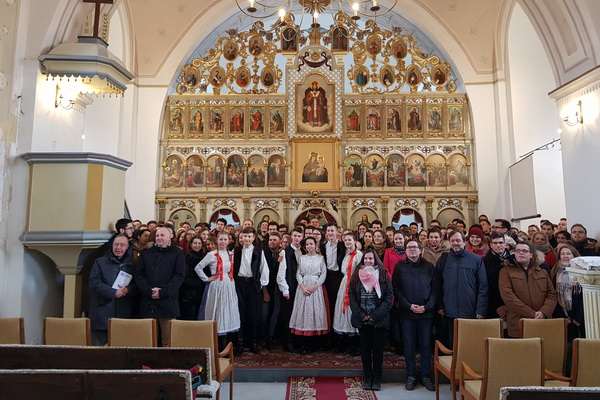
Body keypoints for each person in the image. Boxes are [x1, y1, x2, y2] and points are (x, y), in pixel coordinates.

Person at [393, 239, 439, 392]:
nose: (412, 250)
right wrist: (408, 305)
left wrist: (427, 306)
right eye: (409, 247)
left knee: (425, 345)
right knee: (409, 346)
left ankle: (425, 375)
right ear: (405, 250)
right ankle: (411, 375)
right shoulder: (399, 266)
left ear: (420, 250)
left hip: (426, 313)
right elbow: (396, 289)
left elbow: (435, 289)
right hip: (407, 313)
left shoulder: (429, 266)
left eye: (415, 247)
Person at [349, 249, 392, 391]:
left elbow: (388, 298)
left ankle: (377, 378)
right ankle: (367, 378)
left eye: (371, 259)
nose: (368, 261)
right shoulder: (357, 274)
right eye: (366, 259)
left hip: (378, 319)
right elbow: (352, 296)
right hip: (362, 319)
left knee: (378, 350)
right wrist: (361, 314)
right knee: (365, 350)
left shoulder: (383, 274)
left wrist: (374, 316)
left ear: (375, 260)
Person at [436, 230, 488, 347]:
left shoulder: (476, 260)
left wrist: (481, 309)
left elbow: (483, 286)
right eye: (453, 241)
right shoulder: (443, 260)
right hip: (449, 311)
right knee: (453, 344)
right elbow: (438, 284)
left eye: (458, 240)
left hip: (470, 310)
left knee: (470, 345)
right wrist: (439, 305)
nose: (456, 243)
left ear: (464, 242)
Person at [136, 227, 185, 346]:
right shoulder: (147, 253)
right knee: (147, 341)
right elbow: (139, 275)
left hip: (168, 302)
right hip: (148, 301)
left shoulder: (177, 253)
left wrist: (162, 292)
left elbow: (179, 276)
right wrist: (149, 291)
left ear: (170, 237)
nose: (159, 238)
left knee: (168, 342)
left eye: (162, 235)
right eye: (157, 236)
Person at [194, 231, 241, 351]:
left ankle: (228, 344)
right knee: (218, 311)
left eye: (225, 239)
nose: (223, 242)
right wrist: (207, 279)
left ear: (229, 241)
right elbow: (198, 268)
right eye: (221, 239)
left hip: (229, 284)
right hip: (217, 285)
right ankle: (218, 344)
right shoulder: (211, 254)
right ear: (217, 241)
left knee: (228, 311)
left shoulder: (231, 254)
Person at [499, 241, 557, 338]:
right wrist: (532, 314)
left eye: (524, 251)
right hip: (518, 321)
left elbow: (552, 295)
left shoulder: (542, 272)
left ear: (531, 254)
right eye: (518, 251)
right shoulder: (506, 272)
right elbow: (508, 297)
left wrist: (543, 312)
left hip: (541, 321)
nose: (521, 253)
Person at [89, 234, 138, 346]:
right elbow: (94, 283)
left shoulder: (134, 264)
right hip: (102, 314)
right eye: (116, 245)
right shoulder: (100, 262)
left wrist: (128, 290)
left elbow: (139, 285)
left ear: (127, 247)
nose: (118, 248)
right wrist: (113, 292)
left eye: (122, 245)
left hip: (125, 314)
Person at [289, 236, 329, 352]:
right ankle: (303, 343)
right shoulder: (302, 258)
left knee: (315, 313)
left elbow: (323, 274)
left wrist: (315, 286)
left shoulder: (321, 258)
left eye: (311, 244)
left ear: (316, 245)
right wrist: (302, 286)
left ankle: (314, 343)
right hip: (303, 288)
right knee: (303, 313)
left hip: (316, 289)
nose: (309, 246)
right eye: (307, 244)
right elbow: (298, 273)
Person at [233, 227, 269, 355]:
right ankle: (240, 343)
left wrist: (261, 284)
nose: (247, 239)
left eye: (249, 237)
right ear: (241, 237)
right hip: (239, 283)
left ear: (253, 238)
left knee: (253, 314)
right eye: (245, 236)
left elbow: (264, 268)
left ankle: (253, 343)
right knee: (240, 313)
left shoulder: (258, 251)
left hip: (253, 284)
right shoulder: (236, 251)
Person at [332, 232, 362, 356]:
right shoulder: (346, 255)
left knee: (352, 310)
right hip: (344, 284)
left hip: (354, 284)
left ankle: (355, 343)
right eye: (345, 240)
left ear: (355, 241)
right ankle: (346, 342)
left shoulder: (358, 255)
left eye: (350, 240)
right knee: (343, 311)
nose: (347, 242)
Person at [277, 227, 305, 353]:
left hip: (301, 288)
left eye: (299, 236)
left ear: (302, 237)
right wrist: (285, 290)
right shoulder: (285, 252)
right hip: (290, 287)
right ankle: (288, 343)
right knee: (287, 316)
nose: (297, 238)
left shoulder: (303, 251)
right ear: (291, 236)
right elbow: (280, 275)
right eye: (295, 236)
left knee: (298, 315)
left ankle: (298, 341)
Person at [551, 244, 585, 340]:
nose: (565, 256)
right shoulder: (555, 271)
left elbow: (585, 296)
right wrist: (563, 316)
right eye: (563, 254)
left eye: (568, 254)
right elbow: (553, 294)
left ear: (574, 256)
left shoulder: (582, 271)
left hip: (580, 313)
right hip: (563, 314)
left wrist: (579, 317)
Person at [321, 223, 346, 349]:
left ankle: (338, 339)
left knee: (337, 306)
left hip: (338, 277)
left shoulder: (342, 246)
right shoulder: (322, 246)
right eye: (328, 231)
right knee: (327, 306)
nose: (330, 233)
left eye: (332, 231)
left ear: (337, 232)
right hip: (326, 277)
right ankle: (327, 338)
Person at [483, 232, 511, 321]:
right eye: (495, 243)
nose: (498, 245)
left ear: (505, 244)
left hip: (511, 305)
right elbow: (486, 286)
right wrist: (499, 305)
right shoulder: (484, 262)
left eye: (501, 242)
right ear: (490, 245)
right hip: (493, 305)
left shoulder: (513, 260)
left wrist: (508, 305)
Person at [179, 236, 206, 321]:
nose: (197, 245)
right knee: (189, 317)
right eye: (195, 243)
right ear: (190, 244)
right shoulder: (185, 257)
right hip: (188, 293)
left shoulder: (205, 257)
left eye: (199, 243)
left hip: (201, 291)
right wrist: (199, 283)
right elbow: (183, 276)